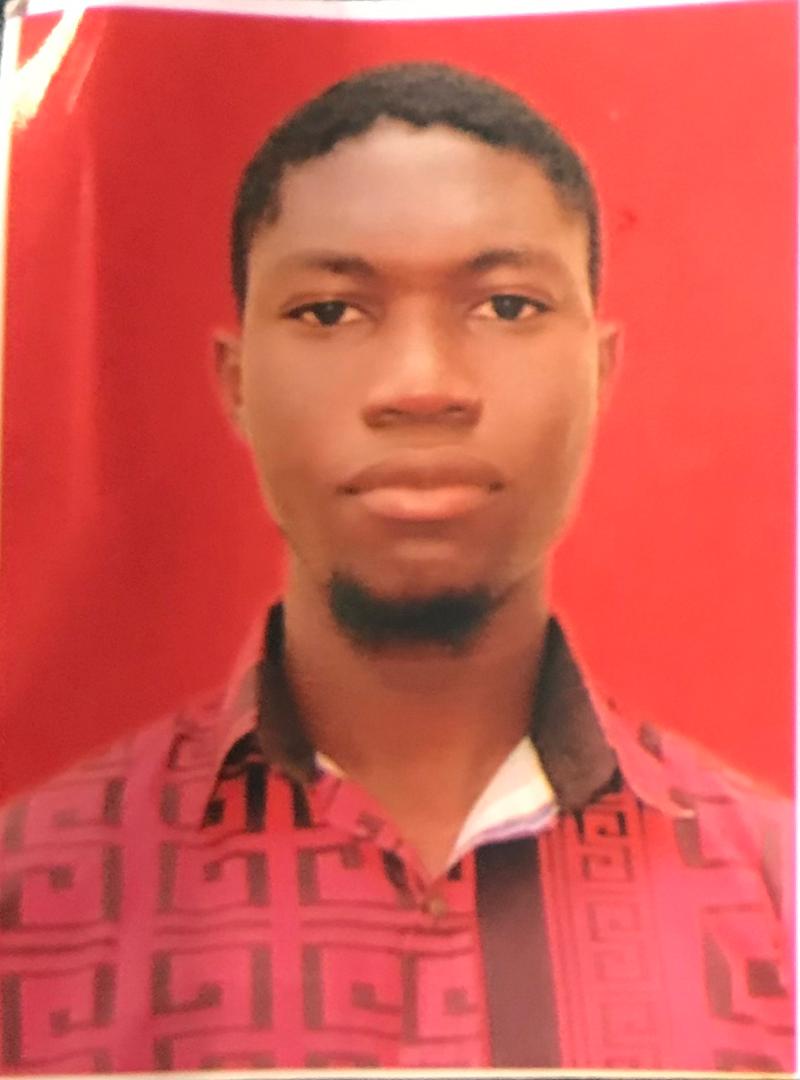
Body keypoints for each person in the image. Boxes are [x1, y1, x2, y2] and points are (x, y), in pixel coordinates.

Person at [0, 63, 793, 1074]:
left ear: (600, 374)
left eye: (506, 306)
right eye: (331, 313)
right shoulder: (26, 894)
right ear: (235, 383)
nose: (420, 387)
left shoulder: (774, 893)